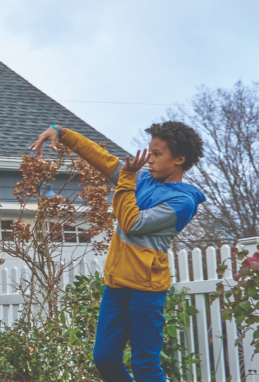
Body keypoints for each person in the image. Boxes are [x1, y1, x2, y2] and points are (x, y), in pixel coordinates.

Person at [30, 122, 205, 382]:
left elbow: (131, 222)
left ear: (179, 159)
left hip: (146, 291)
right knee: (105, 357)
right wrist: (64, 133)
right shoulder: (142, 180)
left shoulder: (182, 201)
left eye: (157, 155)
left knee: (145, 365)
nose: (150, 160)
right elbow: (102, 158)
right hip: (116, 286)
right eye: (150, 152)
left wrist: (126, 179)